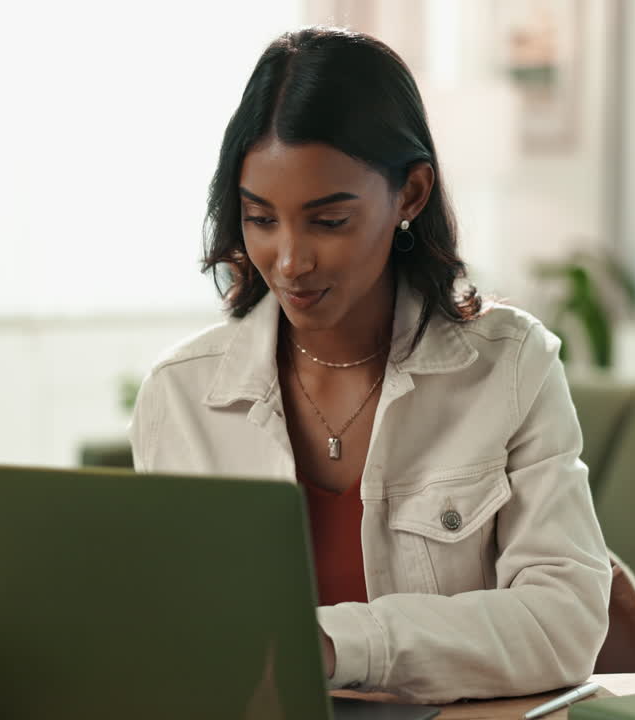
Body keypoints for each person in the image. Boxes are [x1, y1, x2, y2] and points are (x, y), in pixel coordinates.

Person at [129, 26, 610, 705]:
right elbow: (172, 635)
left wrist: (332, 647)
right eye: (261, 219)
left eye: (327, 221)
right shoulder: (179, 394)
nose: (290, 261)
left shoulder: (511, 366)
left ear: (410, 195)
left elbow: (564, 623)